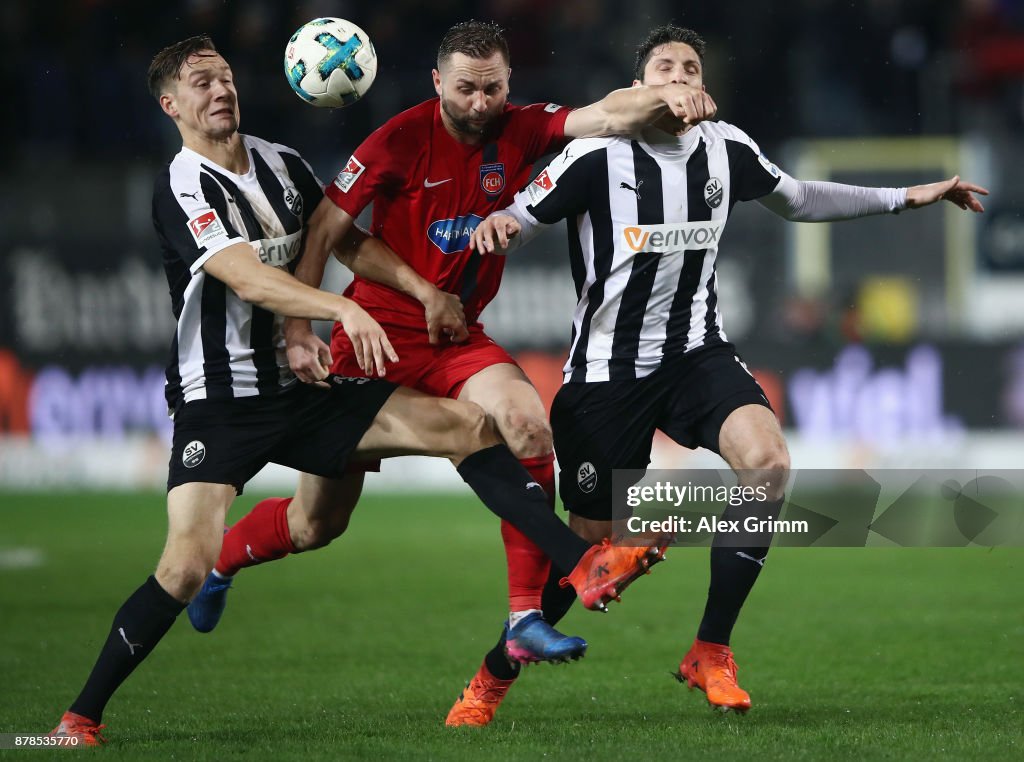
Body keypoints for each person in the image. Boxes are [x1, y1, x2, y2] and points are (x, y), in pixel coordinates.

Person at [46, 35, 670, 746]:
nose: (221, 92)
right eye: (200, 84)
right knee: (216, 556)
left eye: (225, 79)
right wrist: (337, 310)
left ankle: (565, 576)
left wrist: (416, 287)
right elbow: (247, 276)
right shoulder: (183, 185)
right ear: (170, 104)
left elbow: (345, 242)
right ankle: (80, 716)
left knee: (474, 434)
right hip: (222, 398)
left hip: (315, 381)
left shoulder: (281, 164)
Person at [458, 23, 989, 723]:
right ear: (638, 87)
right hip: (605, 374)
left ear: (702, 86)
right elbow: (522, 215)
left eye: (689, 66)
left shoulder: (726, 148)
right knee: (588, 550)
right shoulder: (593, 155)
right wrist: (498, 227)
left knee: (767, 464)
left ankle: (709, 649)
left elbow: (798, 197)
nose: (677, 75)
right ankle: (493, 674)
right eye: (663, 66)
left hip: (697, 355)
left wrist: (909, 196)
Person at [188, 21, 714, 668]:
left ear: (508, 84)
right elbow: (325, 231)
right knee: (316, 524)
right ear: (438, 82)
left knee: (525, 426)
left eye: (492, 88)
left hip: (458, 336)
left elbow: (609, 111)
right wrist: (301, 331)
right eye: (465, 89)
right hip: (378, 337)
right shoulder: (399, 139)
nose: (479, 103)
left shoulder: (520, 128)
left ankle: (524, 616)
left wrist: (673, 98)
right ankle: (221, 561)